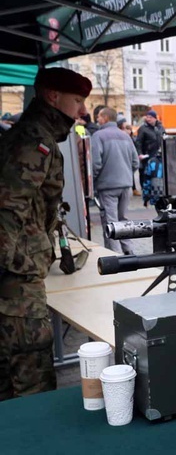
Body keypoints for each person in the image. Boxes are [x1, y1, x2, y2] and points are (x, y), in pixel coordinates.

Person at [0, 67, 92, 400]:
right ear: (53, 96)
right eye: (78, 100)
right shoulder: (35, 141)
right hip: (16, 291)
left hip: (18, 280)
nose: (82, 110)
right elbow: (7, 210)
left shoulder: (31, 135)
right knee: (31, 383)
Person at [91, 107, 139, 254]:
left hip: (107, 186)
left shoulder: (98, 136)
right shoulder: (125, 136)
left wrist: (93, 182)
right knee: (122, 220)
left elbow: (95, 164)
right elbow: (135, 162)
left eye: (99, 116)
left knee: (111, 222)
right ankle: (129, 251)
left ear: (105, 118)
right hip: (125, 185)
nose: (97, 119)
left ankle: (115, 255)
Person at [135, 109, 164, 206]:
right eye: (147, 117)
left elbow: (163, 138)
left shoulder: (160, 128)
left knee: (157, 173)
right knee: (144, 173)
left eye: (150, 117)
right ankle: (145, 191)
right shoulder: (143, 128)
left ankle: (157, 189)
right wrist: (140, 153)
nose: (148, 119)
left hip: (158, 155)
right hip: (146, 156)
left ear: (155, 118)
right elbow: (138, 142)